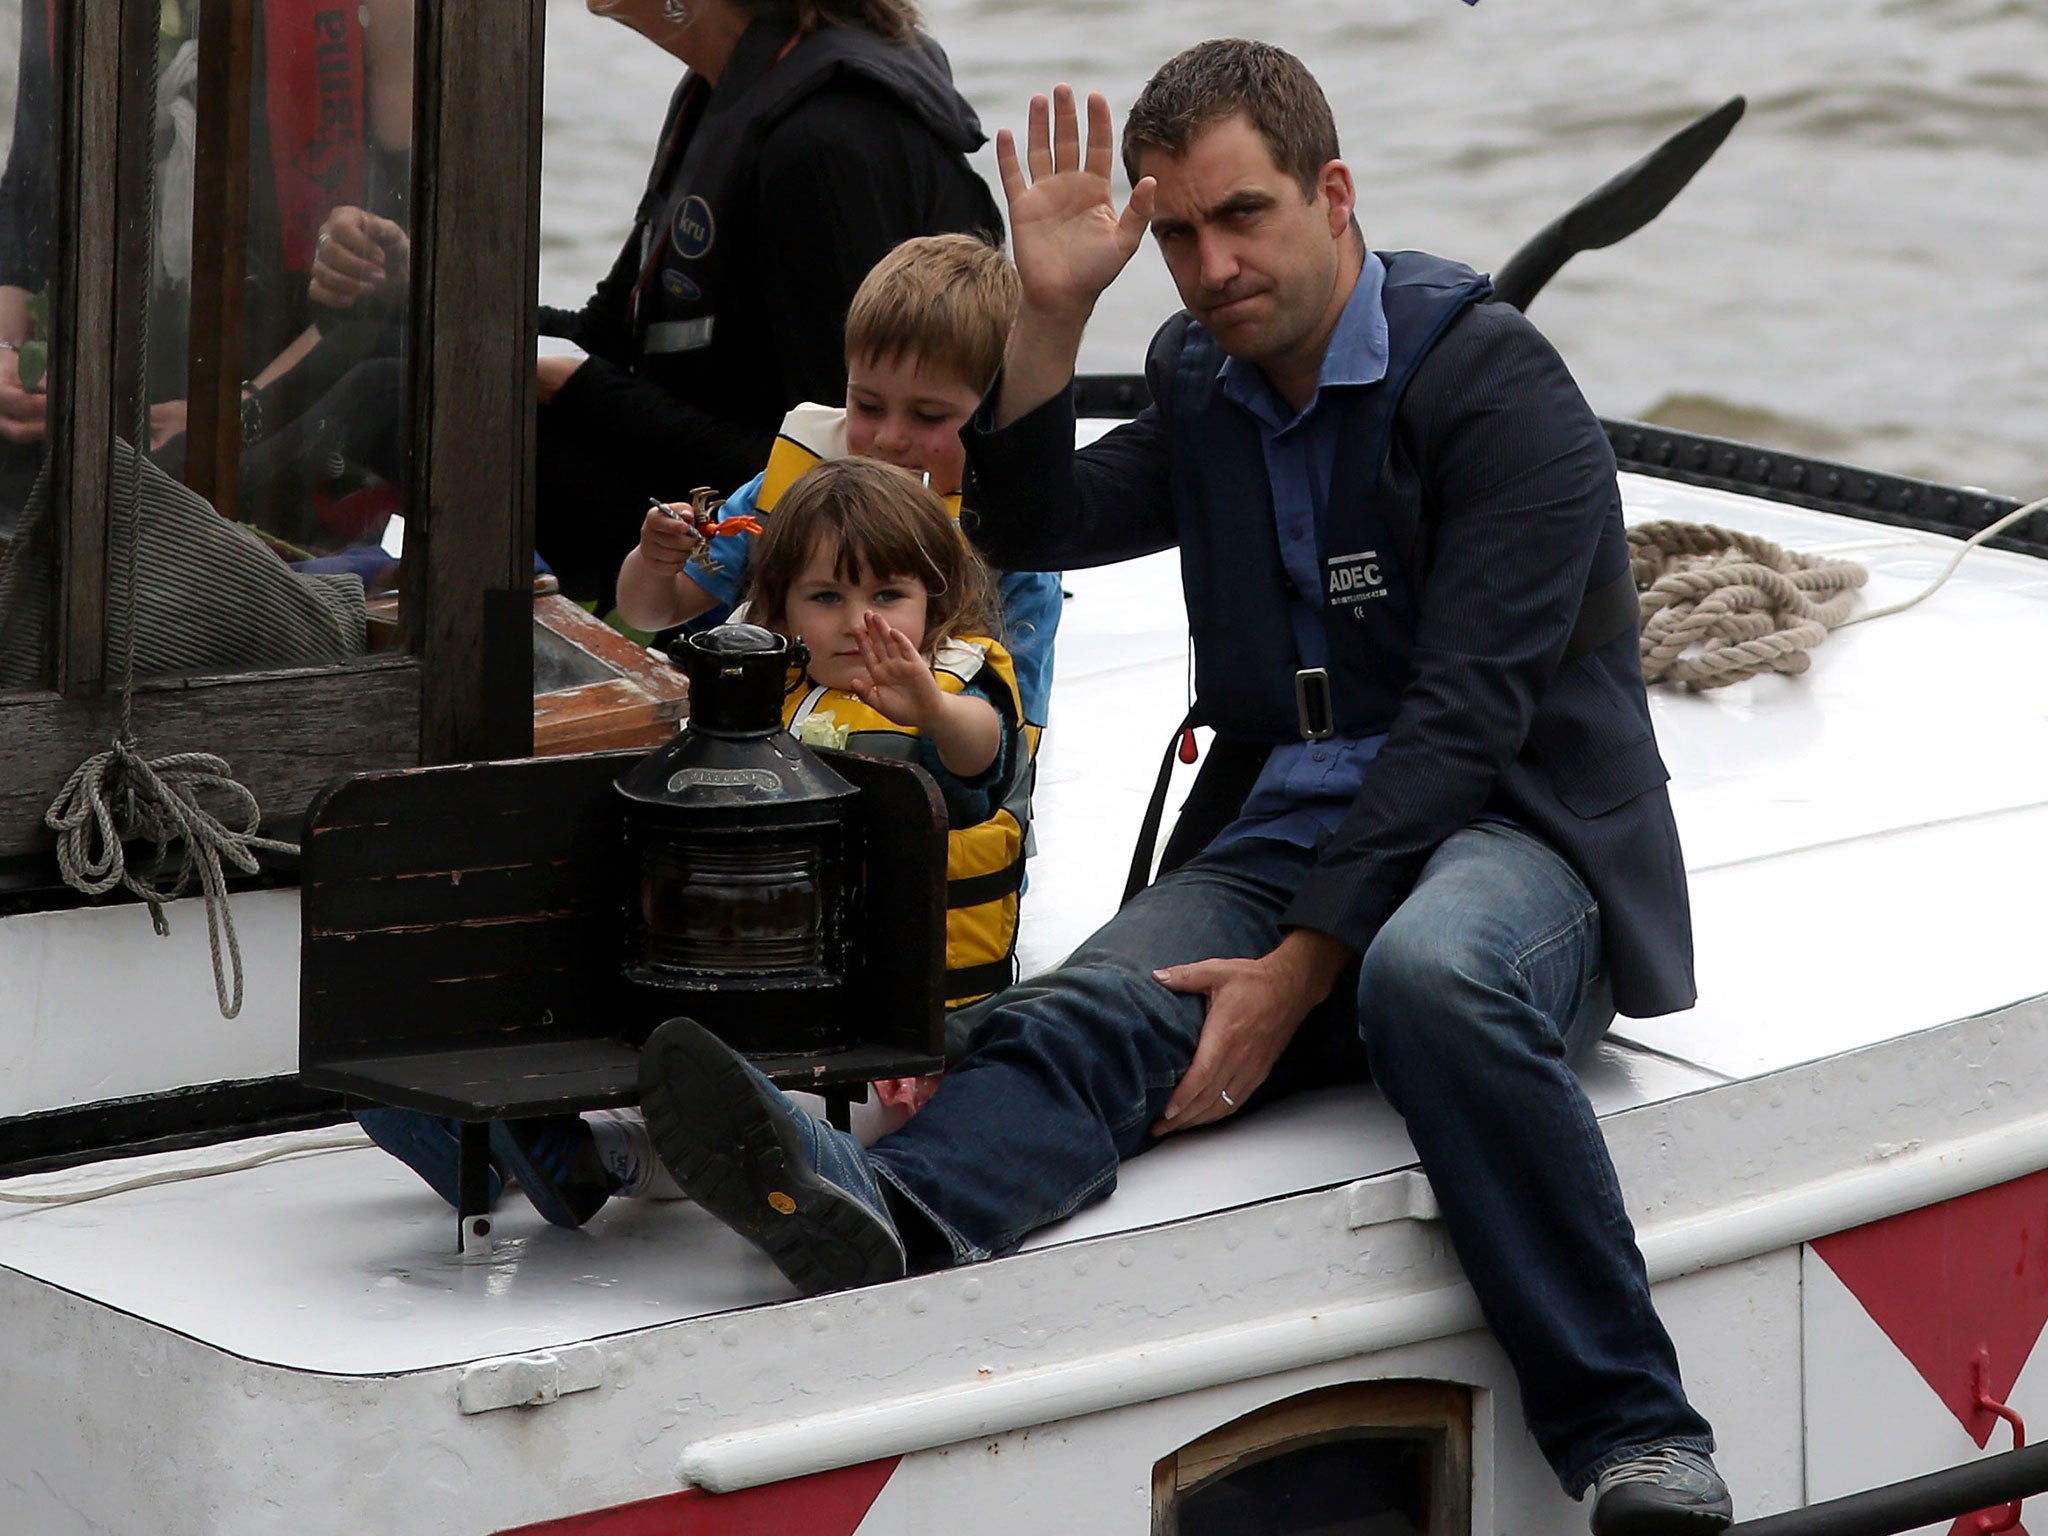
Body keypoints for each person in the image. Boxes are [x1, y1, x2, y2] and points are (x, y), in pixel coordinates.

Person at [634, 41, 1733, 1536]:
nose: (1212, 267)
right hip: (1296, 822)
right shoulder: (1201, 378)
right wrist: (1051, 312)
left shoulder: (1494, 385)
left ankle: (1636, 1436)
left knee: (1435, 975)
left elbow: (1468, 721)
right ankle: (893, 1213)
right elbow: (1043, 515)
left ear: (1335, 196)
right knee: (1088, 1005)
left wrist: (1297, 969)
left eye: (1245, 217)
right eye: (1177, 239)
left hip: (1514, 835)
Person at [532, 0, 1004, 605]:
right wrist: (421, 297)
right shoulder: (723, 86)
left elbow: (845, 438)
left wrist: (580, 387)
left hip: (805, 500)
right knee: (405, 366)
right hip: (711, 446)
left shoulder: (822, 137)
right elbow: (611, 329)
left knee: (404, 401)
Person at [616, 231, 1063, 742]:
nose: (889, 438)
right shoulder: (787, 493)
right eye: (868, 406)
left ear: (996, 413)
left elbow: (1014, 734)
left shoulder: (1017, 543)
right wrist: (655, 563)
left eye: (928, 415)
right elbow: (651, 610)